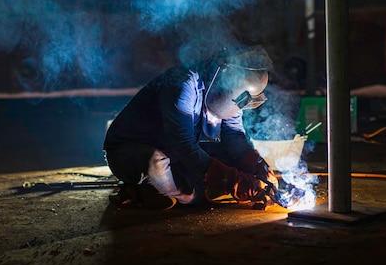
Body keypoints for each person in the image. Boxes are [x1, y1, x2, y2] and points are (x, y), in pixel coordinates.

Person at [103, 44, 278, 209]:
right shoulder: (182, 84)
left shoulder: (233, 96)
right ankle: (154, 191)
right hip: (131, 152)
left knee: (228, 164)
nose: (238, 106)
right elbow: (183, 145)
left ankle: (163, 190)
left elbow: (233, 136)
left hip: (177, 154)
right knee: (160, 166)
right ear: (223, 80)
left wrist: (256, 165)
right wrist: (232, 180)